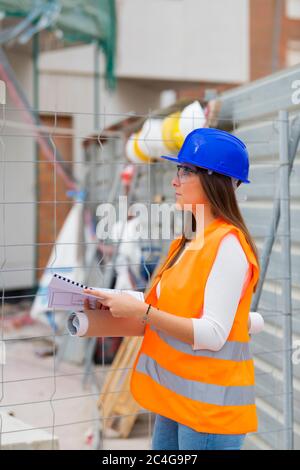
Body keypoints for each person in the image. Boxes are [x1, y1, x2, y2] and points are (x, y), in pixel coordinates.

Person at [83, 128, 263, 450]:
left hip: (207, 410)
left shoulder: (228, 246)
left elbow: (212, 334)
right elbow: (176, 309)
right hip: (177, 399)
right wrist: (117, 304)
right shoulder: (188, 240)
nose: (174, 180)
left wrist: (143, 312)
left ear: (214, 180)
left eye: (185, 171)